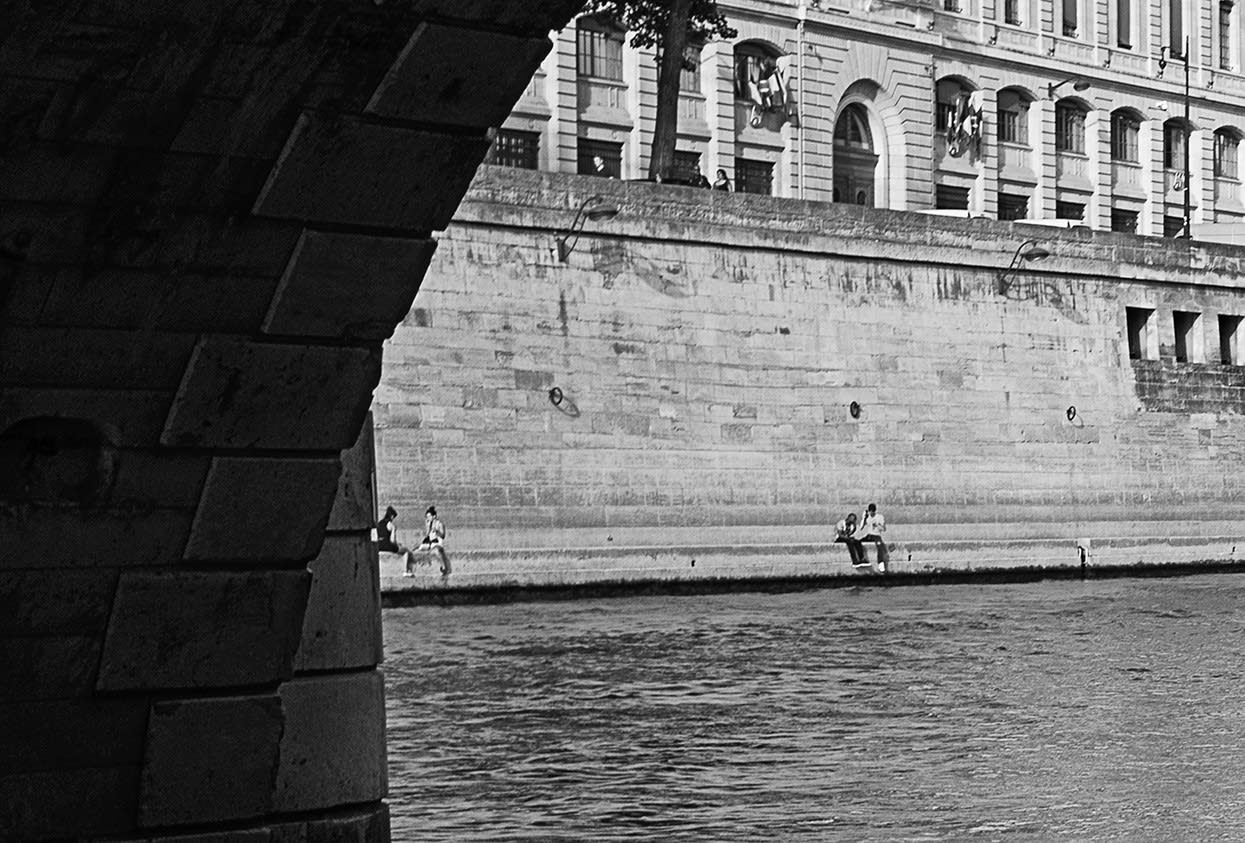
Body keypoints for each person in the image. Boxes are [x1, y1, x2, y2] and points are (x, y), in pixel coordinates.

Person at [376, 506, 419, 575]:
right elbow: (392, 541)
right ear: (392, 516)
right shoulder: (391, 525)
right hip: (387, 545)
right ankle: (405, 571)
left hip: (379, 545)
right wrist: (397, 545)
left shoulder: (379, 523)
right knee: (406, 551)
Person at [418, 505, 450, 575]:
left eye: (429, 516)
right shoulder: (429, 524)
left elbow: (443, 535)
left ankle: (443, 567)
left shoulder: (440, 524)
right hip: (430, 543)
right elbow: (427, 535)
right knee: (417, 549)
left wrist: (437, 531)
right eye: (427, 517)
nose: (428, 518)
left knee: (436, 551)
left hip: (437, 542)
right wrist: (428, 527)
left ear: (434, 516)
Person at [859, 503, 889, 573]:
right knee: (858, 542)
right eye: (870, 512)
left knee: (879, 545)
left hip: (876, 535)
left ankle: (880, 563)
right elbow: (861, 527)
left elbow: (884, 529)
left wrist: (877, 525)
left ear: (875, 511)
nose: (871, 513)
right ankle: (861, 559)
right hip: (869, 535)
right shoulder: (867, 517)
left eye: (872, 512)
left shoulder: (880, 517)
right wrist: (863, 518)